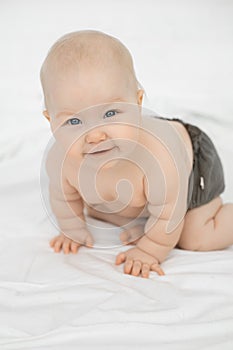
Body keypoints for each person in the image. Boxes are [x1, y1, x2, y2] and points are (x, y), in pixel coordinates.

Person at [40, 30, 233, 278]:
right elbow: (62, 198)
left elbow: (168, 214)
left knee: (195, 236)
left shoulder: (158, 159)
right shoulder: (60, 160)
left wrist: (150, 250)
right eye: (74, 121)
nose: (95, 135)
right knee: (103, 204)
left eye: (110, 114)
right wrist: (72, 228)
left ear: (138, 102)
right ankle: (142, 218)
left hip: (190, 165)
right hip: (147, 183)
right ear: (51, 120)